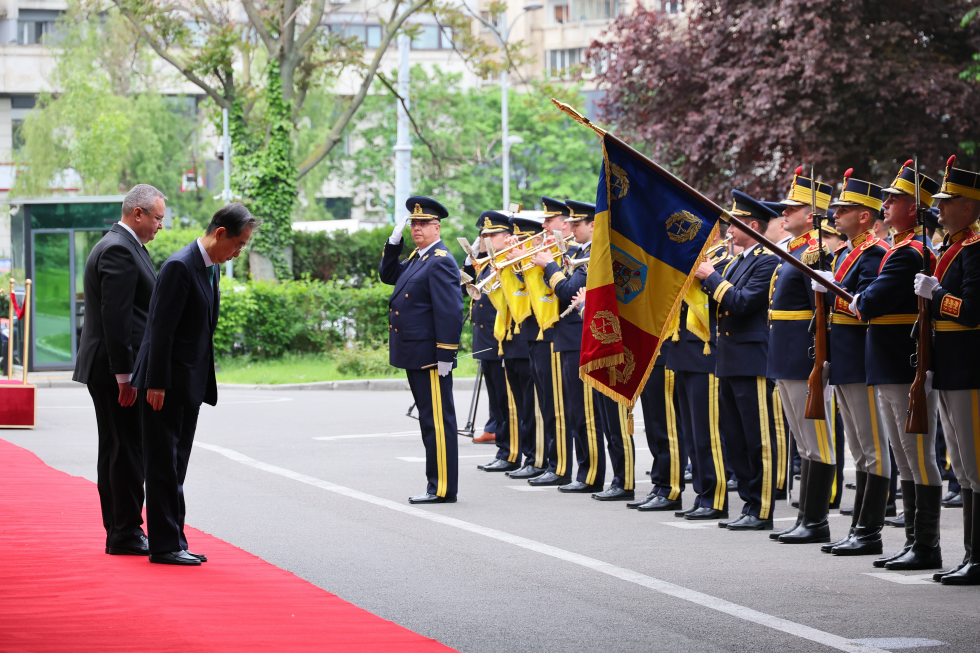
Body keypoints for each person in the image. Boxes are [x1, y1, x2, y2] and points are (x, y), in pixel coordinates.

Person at [133, 203, 257, 565]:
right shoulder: (179, 266)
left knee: (177, 464)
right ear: (220, 233)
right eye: (238, 244)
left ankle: (175, 539)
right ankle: (164, 545)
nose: (238, 252)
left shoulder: (209, 267)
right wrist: (155, 382)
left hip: (188, 384)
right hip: (164, 384)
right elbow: (160, 329)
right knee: (162, 466)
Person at [853, 160, 944, 571]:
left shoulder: (909, 254)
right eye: (887, 199)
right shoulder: (899, 250)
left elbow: (871, 301)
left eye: (895, 199)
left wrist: (861, 300)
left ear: (914, 208)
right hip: (888, 364)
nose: (886, 204)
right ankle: (913, 542)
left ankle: (926, 545)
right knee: (905, 458)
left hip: (900, 365)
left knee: (916, 456)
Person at [73, 184, 165, 556]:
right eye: (157, 217)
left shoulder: (121, 245)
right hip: (116, 371)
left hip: (110, 368)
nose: (161, 225)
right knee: (127, 449)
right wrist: (124, 376)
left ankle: (119, 528)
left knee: (116, 447)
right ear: (137, 213)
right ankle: (125, 531)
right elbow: (117, 318)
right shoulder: (119, 250)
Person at [811, 172, 891, 557]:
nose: (835, 214)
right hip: (843, 359)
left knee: (872, 447)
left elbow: (866, 304)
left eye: (843, 209)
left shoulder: (874, 252)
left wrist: (833, 294)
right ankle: (860, 526)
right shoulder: (846, 253)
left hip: (861, 359)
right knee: (859, 448)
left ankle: (870, 531)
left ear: (864, 216)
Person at [912, 158, 980, 585]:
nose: (939, 207)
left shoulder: (975, 251)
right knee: (965, 465)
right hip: (951, 368)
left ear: (970, 207)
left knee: (975, 464)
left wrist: (937, 295)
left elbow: (972, 312)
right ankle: (972, 554)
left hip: (970, 368)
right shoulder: (954, 248)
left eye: (948, 201)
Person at [696, 190, 779, 529]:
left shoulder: (768, 260)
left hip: (752, 360)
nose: (728, 230)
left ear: (753, 224)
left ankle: (762, 509)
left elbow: (742, 303)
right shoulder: (739, 260)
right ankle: (748, 503)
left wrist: (711, 277)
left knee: (757, 438)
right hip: (729, 358)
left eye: (735, 224)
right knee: (735, 436)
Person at [767, 171, 837, 544]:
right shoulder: (793, 251)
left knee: (817, 439)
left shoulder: (816, 252)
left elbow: (822, 312)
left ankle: (817, 520)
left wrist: (821, 359)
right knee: (803, 441)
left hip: (804, 355)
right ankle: (805, 517)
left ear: (811, 215)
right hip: (784, 353)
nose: (784, 212)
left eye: (792, 208)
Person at [380, 197, 464, 504]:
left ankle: (441, 488)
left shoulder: (440, 259)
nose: (417, 228)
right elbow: (389, 276)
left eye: (423, 224)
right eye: (413, 223)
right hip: (416, 353)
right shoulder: (420, 257)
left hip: (430, 356)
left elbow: (450, 311)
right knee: (429, 420)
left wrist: (445, 355)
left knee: (437, 422)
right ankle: (437, 484)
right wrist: (393, 242)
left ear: (437, 227)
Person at [655, 232, 730, 517]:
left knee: (707, 433)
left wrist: (707, 273)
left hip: (705, 353)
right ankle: (702, 495)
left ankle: (716, 498)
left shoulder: (720, 264)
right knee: (691, 432)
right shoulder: (682, 263)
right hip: (680, 352)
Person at [536, 202, 605, 493]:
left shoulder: (592, 254)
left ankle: (591, 474)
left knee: (585, 410)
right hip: (568, 338)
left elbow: (566, 291)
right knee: (575, 410)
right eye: (571, 223)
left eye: (576, 224)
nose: (571, 229)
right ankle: (583, 470)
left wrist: (549, 266)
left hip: (581, 339)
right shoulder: (577, 253)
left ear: (592, 225)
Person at [470, 211, 522, 472]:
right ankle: (504, 449)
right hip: (484, 338)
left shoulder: (509, 262)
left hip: (501, 337)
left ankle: (510, 452)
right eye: (484, 235)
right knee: (497, 400)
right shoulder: (486, 262)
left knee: (507, 400)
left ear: (507, 237)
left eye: (492, 235)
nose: (486, 238)